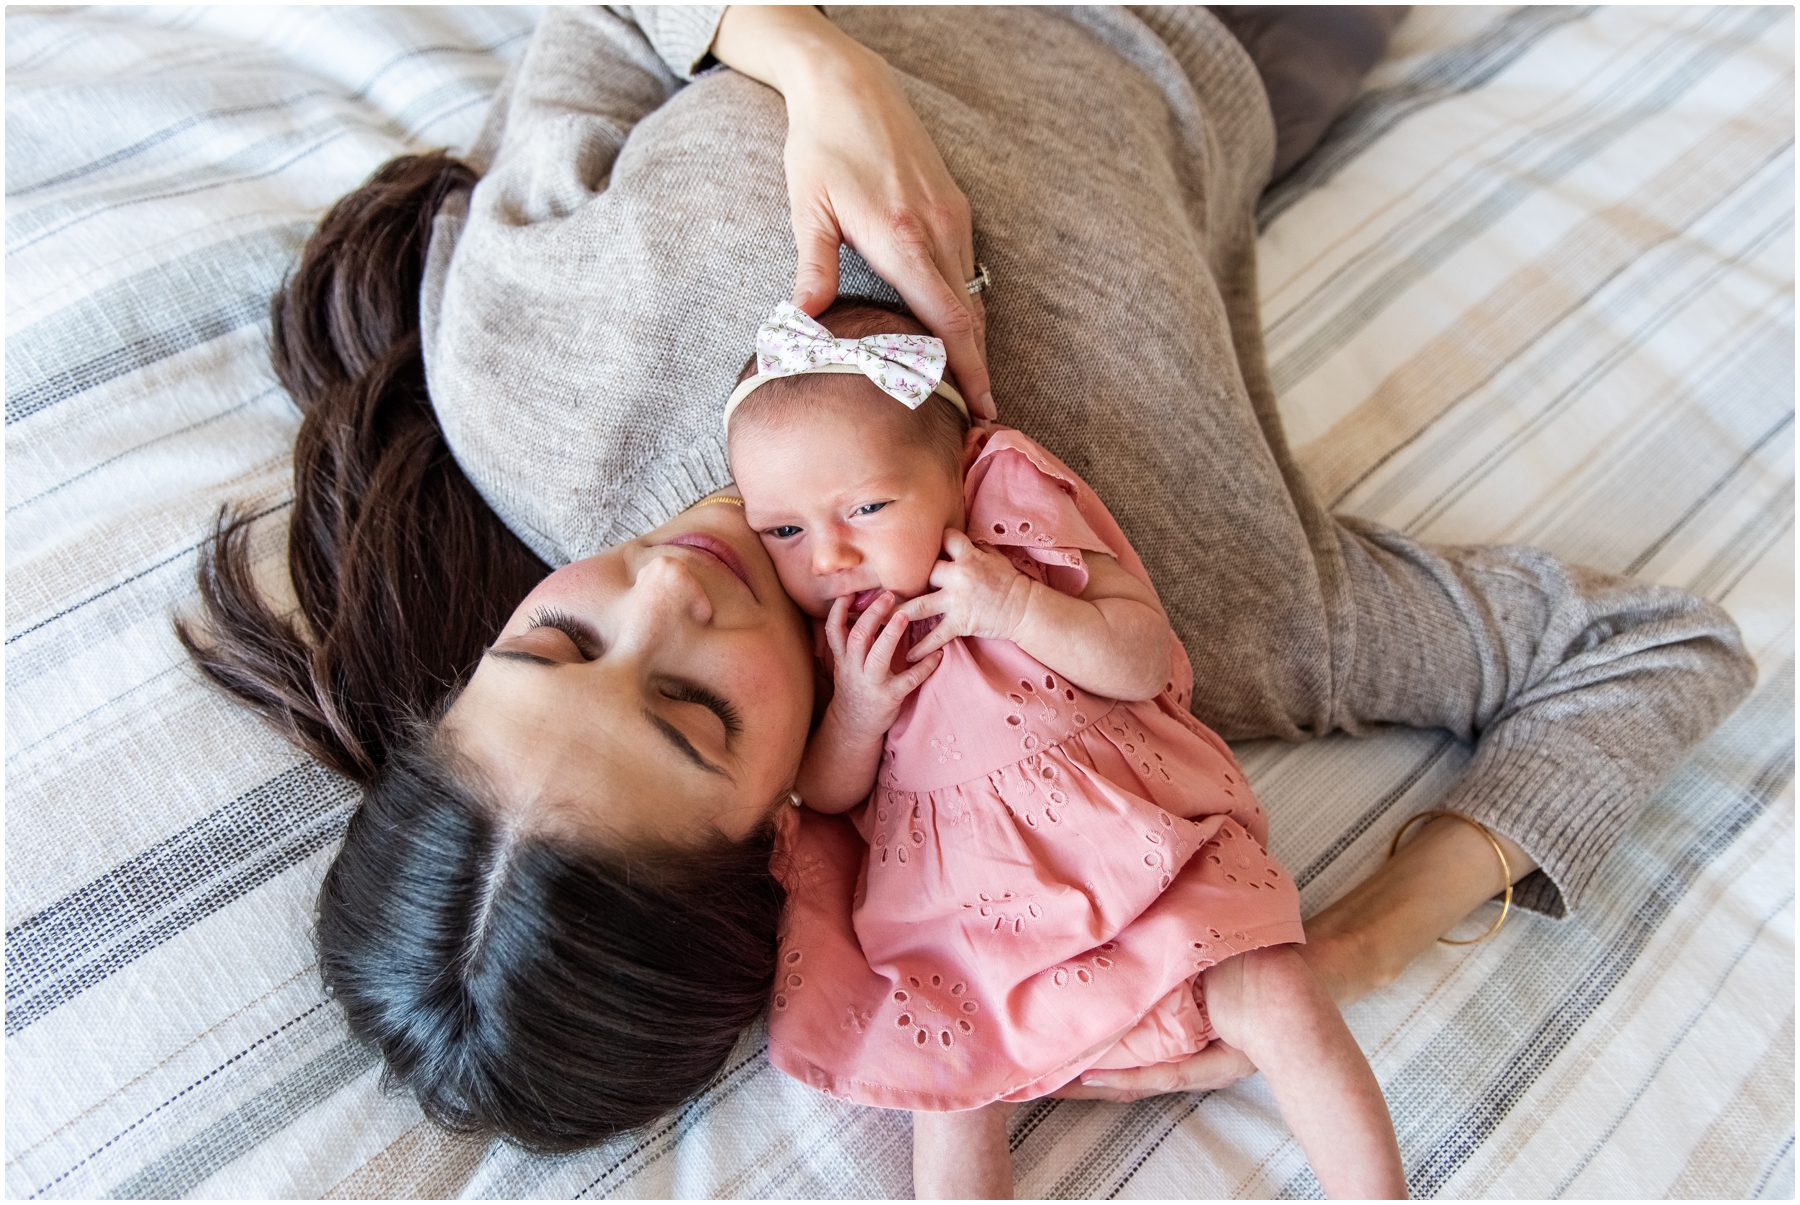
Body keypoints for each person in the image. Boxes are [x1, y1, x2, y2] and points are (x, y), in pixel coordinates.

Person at [176, 2, 1754, 1183]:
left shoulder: (525, 378)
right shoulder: (1177, 606)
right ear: (787, 830)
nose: (667, 582)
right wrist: (1343, 947)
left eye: (558, 638)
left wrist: (807, 61)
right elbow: (1646, 651)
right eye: (692, 709)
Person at [725, 298, 1406, 1197]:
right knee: (946, 1084)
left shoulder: (1008, 503)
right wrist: (856, 708)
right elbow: (826, 794)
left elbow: (1142, 657)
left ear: (957, 466)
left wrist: (1016, 608)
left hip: (1133, 852)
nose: (828, 555)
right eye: (784, 530)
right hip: (958, 915)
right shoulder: (832, 634)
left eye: (866, 506)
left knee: (1278, 989)